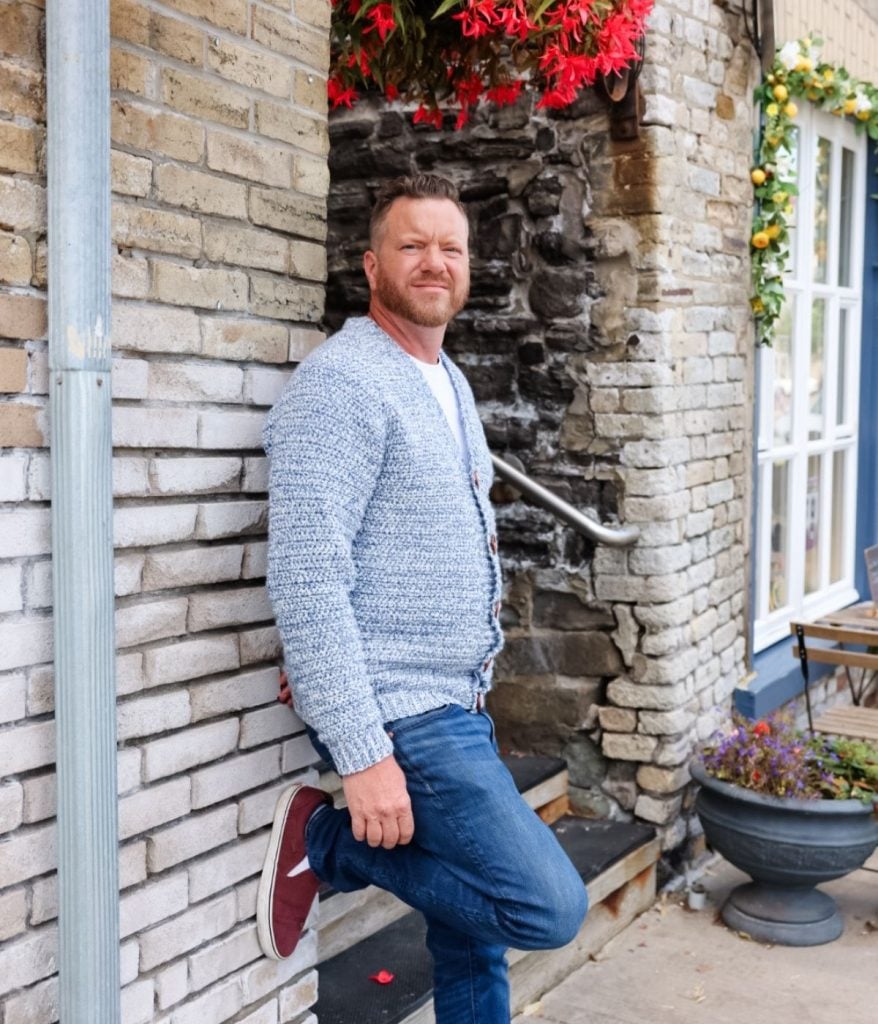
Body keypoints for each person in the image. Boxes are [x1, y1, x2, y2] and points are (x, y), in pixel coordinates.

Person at [257, 173, 587, 1023]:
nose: (435, 262)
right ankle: (323, 843)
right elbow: (307, 576)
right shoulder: (342, 383)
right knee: (544, 907)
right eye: (413, 246)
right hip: (405, 708)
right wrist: (363, 753)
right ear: (373, 266)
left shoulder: (449, 380)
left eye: (451, 247)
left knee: (469, 941)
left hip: (456, 695)